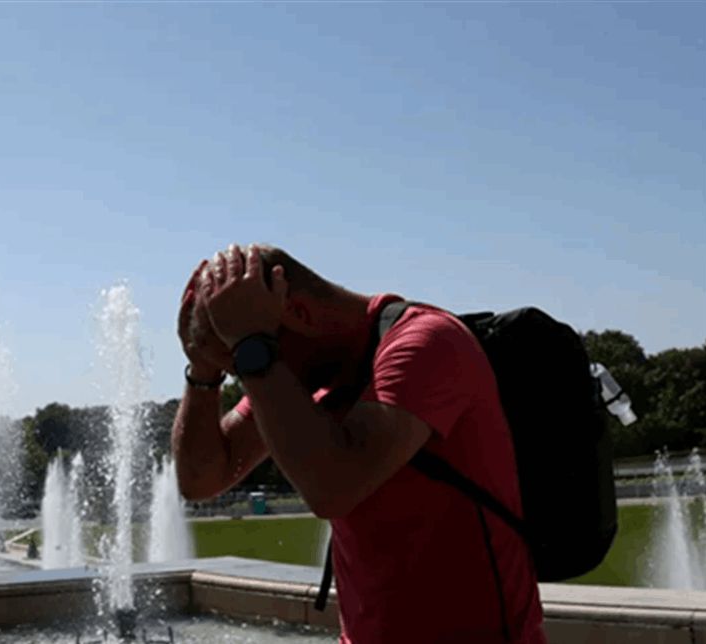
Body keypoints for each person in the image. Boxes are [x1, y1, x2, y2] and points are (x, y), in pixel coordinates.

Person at [171, 243, 545, 644]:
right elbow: (201, 479)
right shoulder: (295, 370)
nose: (248, 376)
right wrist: (204, 370)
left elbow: (334, 488)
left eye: (244, 359)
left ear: (297, 314)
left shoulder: (426, 344)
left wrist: (252, 351)